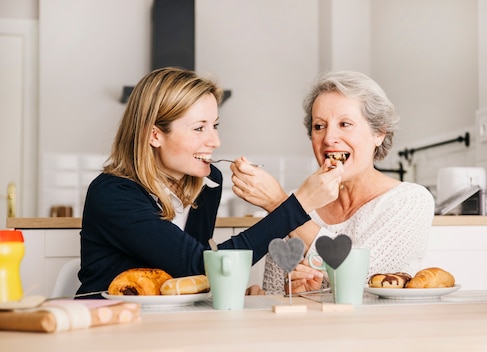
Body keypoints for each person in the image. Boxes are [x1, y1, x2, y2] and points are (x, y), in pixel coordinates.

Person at [77, 67, 343, 298]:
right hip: (110, 324)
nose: (215, 141)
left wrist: (233, 291)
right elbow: (200, 264)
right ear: (154, 135)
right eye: (199, 128)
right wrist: (297, 205)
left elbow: (191, 278)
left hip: (174, 325)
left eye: (214, 125)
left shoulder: (207, 182)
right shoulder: (112, 194)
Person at [230, 71, 435, 294]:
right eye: (319, 126)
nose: (328, 138)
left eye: (345, 124)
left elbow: (362, 280)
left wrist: (281, 206)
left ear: (379, 133)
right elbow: (278, 296)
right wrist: (293, 294)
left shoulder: (409, 201)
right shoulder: (297, 202)